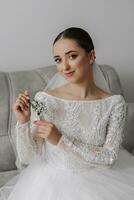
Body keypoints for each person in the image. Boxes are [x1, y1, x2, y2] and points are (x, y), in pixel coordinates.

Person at [0, 27, 134, 200]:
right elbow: (28, 157)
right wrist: (24, 122)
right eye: (58, 59)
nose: (64, 67)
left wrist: (60, 140)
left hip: (103, 181)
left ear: (91, 56)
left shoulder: (114, 104)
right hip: (52, 183)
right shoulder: (46, 100)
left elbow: (109, 158)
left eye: (72, 56)